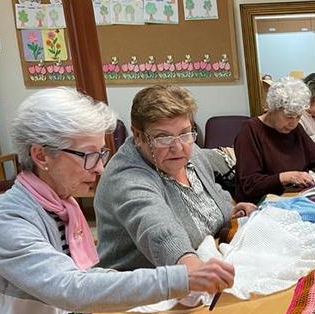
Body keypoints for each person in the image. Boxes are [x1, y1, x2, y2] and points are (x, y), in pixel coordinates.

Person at [0, 88, 235, 314]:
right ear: (41, 156)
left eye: (100, 154)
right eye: (88, 156)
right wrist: (181, 278)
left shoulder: (62, 205)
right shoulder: (4, 222)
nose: (100, 168)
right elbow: (70, 287)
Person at [95, 85, 256, 271]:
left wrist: (230, 209)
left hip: (206, 268)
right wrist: (190, 266)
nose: (178, 147)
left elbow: (207, 197)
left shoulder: (190, 151)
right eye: (163, 137)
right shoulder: (127, 178)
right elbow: (158, 229)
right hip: (147, 290)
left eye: (185, 132)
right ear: (138, 136)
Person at [233, 76, 315, 202]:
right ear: (273, 108)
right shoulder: (250, 131)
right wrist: (286, 177)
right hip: (262, 205)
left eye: (298, 117)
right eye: (289, 116)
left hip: (294, 199)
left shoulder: (295, 130)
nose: (293, 123)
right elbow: (250, 184)